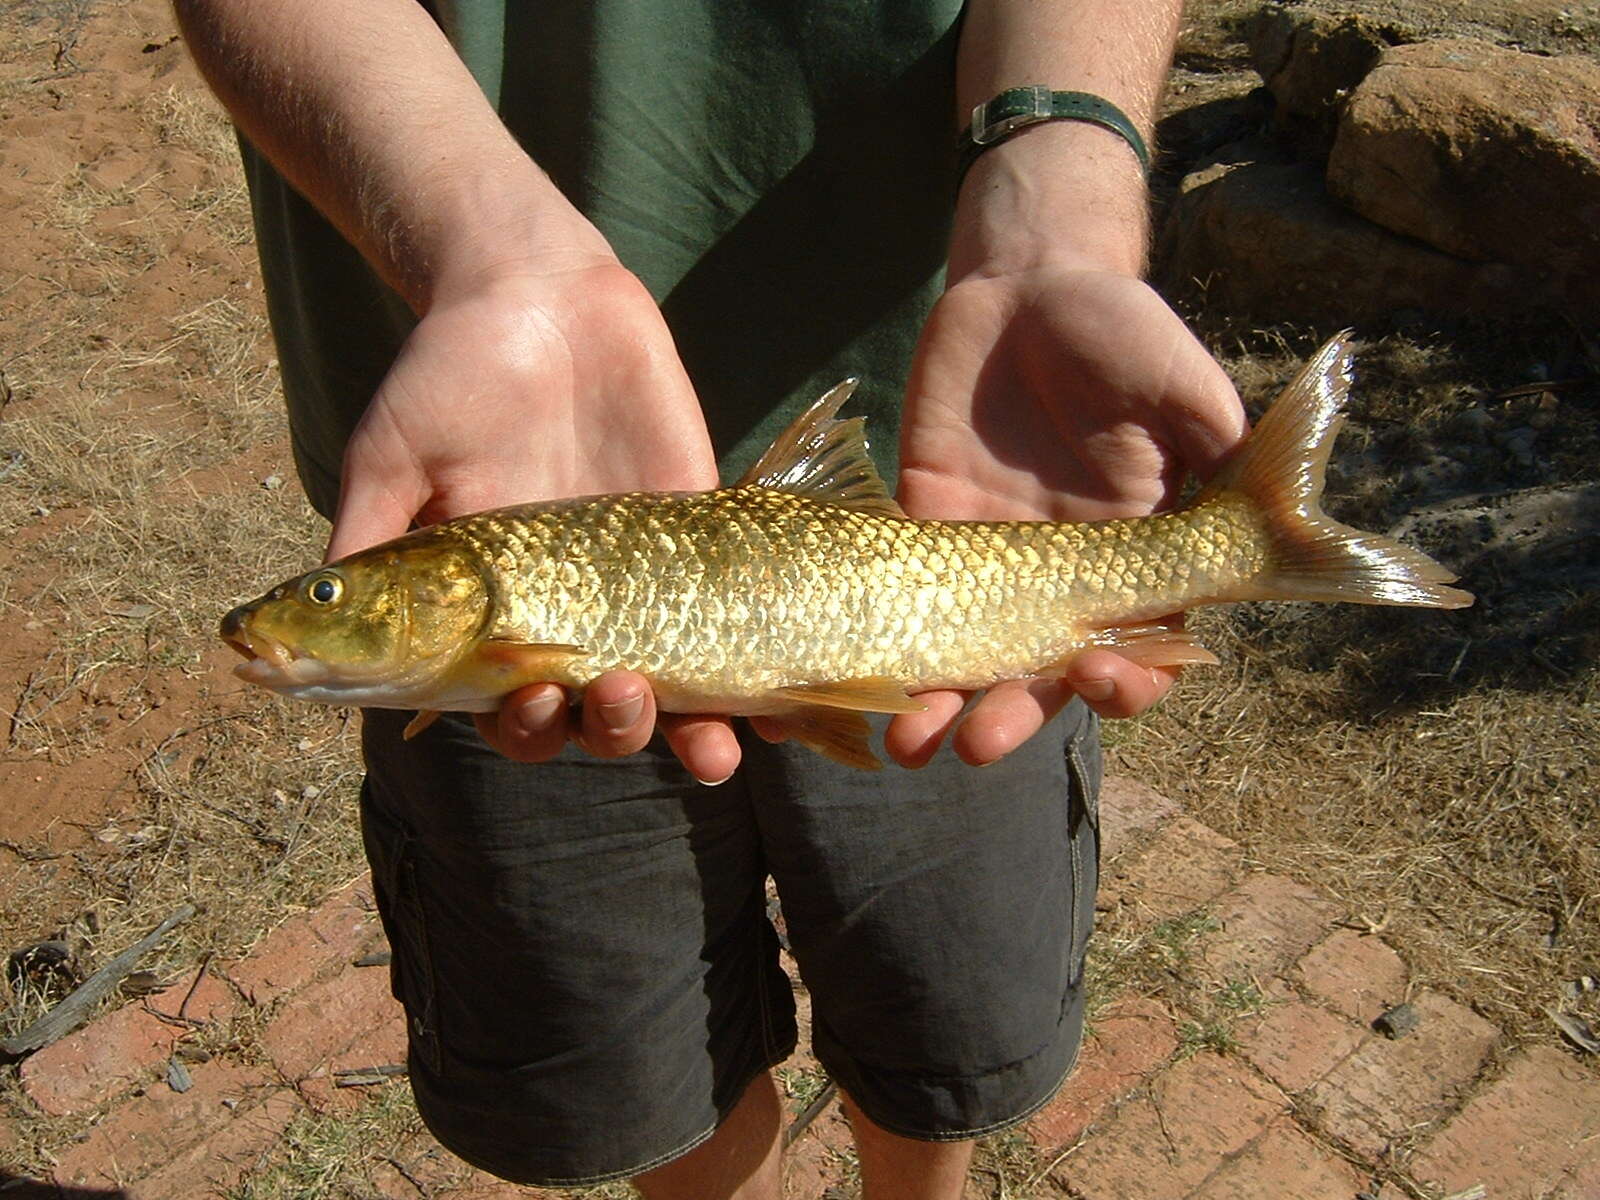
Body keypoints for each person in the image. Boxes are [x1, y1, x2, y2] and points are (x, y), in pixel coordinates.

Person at [174, 1, 1245, 1195]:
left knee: (941, 1017)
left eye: (332, 592)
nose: (300, 611)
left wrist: (1058, 196)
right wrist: (485, 250)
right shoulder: (467, 571)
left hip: (971, 445)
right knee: (635, 1067)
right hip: (490, 430)